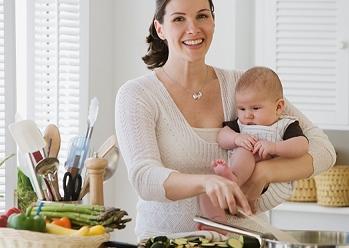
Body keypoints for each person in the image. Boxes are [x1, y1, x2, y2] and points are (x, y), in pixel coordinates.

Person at [115, 0, 336, 242]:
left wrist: (263, 172)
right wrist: (207, 182)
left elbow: (323, 149)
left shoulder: (243, 86)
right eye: (179, 19)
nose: (193, 28)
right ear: (160, 28)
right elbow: (144, 178)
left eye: (202, 16)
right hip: (169, 241)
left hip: (248, 240)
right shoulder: (137, 95)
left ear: (213, 21)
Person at [198, 66, 309, 229]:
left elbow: (302, 145)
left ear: (278, 107)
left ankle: (233, 177)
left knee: (246, 152)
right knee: (206, 191)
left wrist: (275, 147)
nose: (247, 115)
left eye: (255, 108)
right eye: (242, 108)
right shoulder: (241, 124)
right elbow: (222, 136)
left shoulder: (285, 125)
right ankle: (216, 223)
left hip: (268, 186)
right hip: (241, 183)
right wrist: (236, 138)